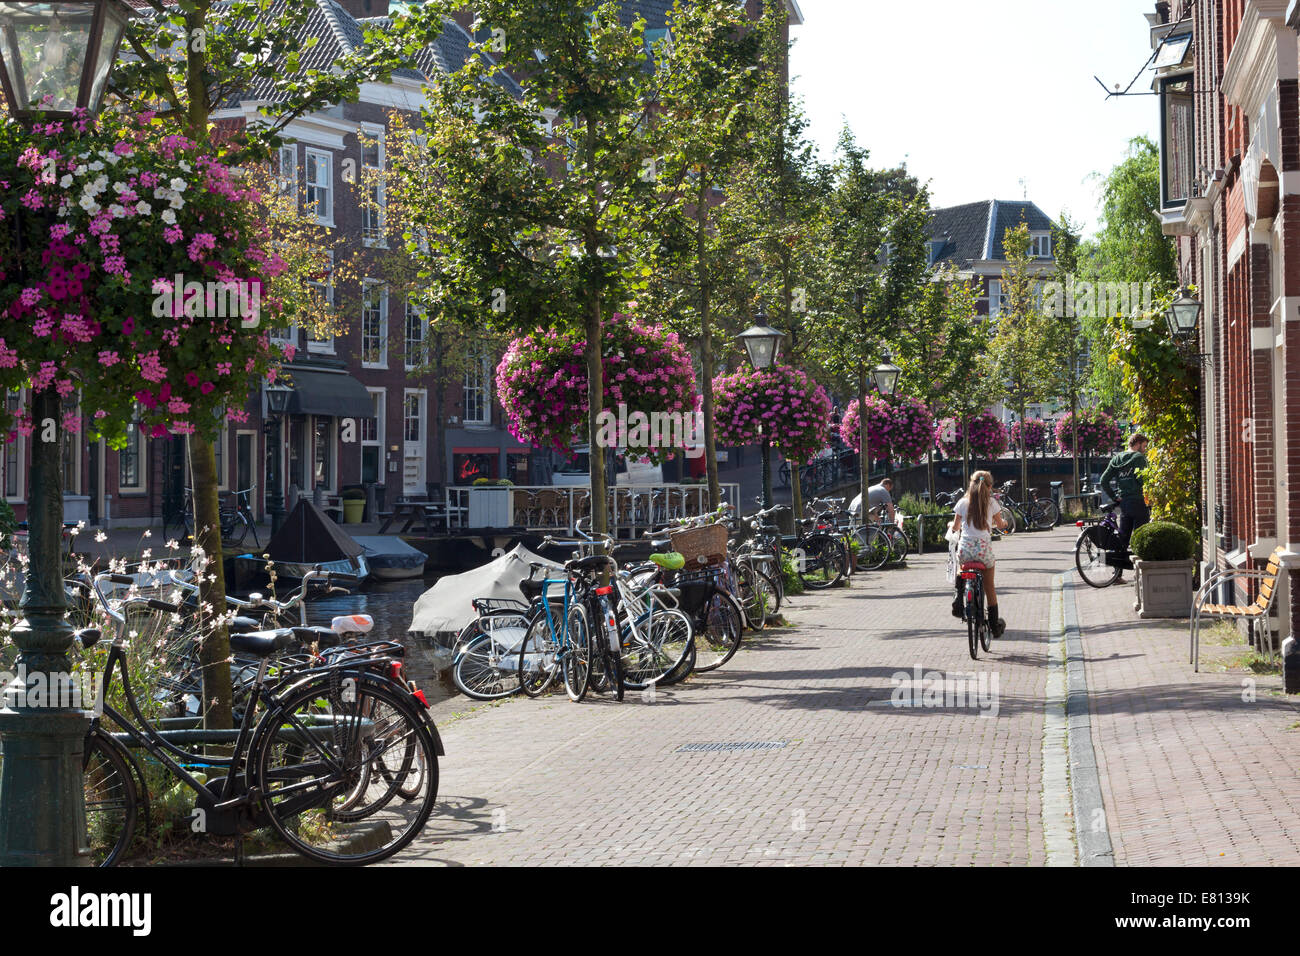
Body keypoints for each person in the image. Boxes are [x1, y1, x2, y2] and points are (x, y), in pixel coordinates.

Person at [950, 470, 1009, 637]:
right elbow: (1000, 524)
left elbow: (955, 527)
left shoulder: (962, 502)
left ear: (971, 484)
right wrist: (1003, 523)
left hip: (965, 550)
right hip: (983, 550)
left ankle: (958, 600)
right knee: (989, 586)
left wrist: (951, 526)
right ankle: (994, 626)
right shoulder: (992, 503)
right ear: (989, 487)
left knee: (961, 566)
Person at [1100, 432, 1150, 552]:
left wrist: (1114, 497)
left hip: (1124, 502)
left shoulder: (1116, 459)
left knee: (1123, 539)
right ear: (1137, 444)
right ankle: (1138, 568)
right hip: (1138, 500)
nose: (1144, 450)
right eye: (1144, 446)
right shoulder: (1139, 458)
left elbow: (1103, 480)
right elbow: (1143, 480)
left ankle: (1118, 565)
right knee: (1140, 538)